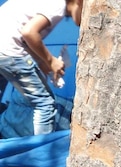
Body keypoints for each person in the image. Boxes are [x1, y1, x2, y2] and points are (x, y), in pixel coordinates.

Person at [0, 0, 82, 136]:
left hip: (4, 49)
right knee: (45, 104)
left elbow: (23, 37)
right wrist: (51, 60)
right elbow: (28, 32)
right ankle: (41, 151)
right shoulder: (58, 5)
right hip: (9, 52)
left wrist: (42, 61)